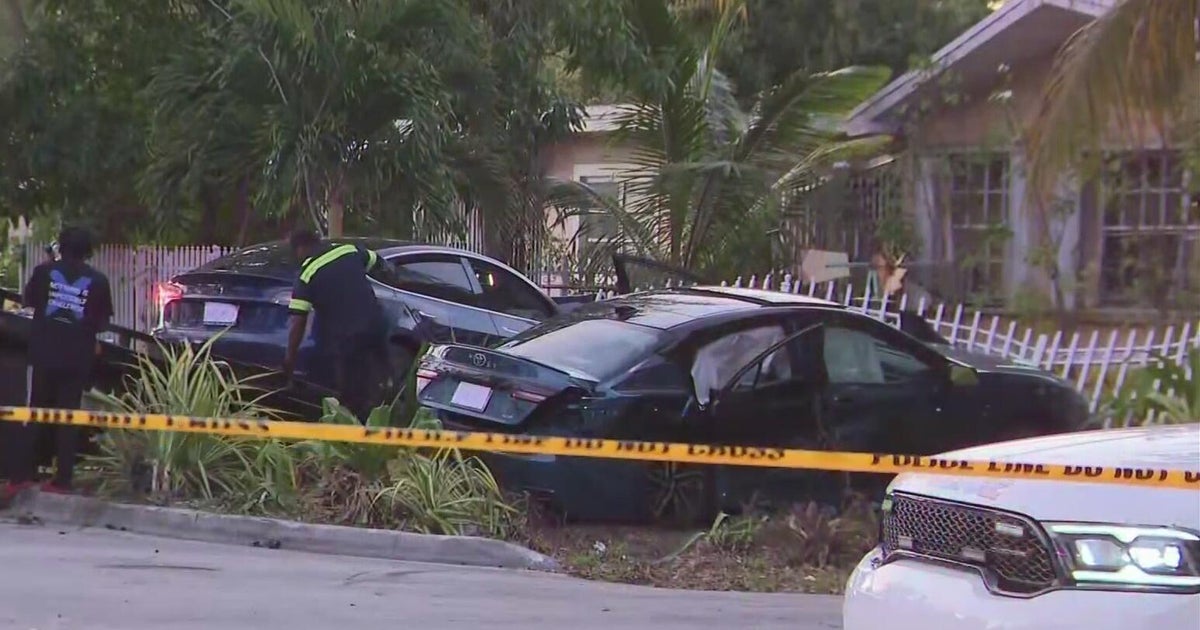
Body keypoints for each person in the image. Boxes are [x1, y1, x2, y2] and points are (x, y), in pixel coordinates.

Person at [1, 226, 113, 506]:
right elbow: (101, 323)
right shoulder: (98, 281)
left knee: (37, 412)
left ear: (61, 246)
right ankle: (63, 479)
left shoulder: (43, 272)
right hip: (77, 358)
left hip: (44, 354)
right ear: (88, 250)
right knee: (68, 418)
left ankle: (21, 476)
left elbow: (29, 302)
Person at [281, 229, 390, 421]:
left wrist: (289, 359)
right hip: (377, 328)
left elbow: (298, 322)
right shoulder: (348, 250)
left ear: (301, 248)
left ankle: (356, 435)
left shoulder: (307, 274)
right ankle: (387, 414)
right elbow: (379, 264)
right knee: (383, 382)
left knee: (351, 396)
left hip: (347, 340)